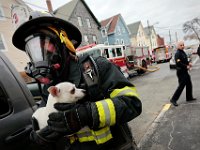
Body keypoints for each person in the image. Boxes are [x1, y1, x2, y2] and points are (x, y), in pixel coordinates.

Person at [12, 11, 142, 150]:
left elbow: (132, 103)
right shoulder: (48, 88)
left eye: (44, 42)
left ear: (64, 43)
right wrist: (40, 136)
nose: (39, 52)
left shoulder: (96, 68)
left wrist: (87, 114)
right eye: (32, 48)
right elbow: (48, 121)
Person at [170, 40, 196, 106]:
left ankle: (189, 97)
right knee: (181, 86)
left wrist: (188, 63)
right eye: (181, 45)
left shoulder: (182, 52)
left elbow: (184, 60)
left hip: (185, 71)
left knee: (189, 84)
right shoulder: (178, 53)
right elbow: (178, 63)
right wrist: (186, 66)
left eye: (183, 45)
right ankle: (173, 99)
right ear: (178, 46)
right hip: (181, 72)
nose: (182, 46)